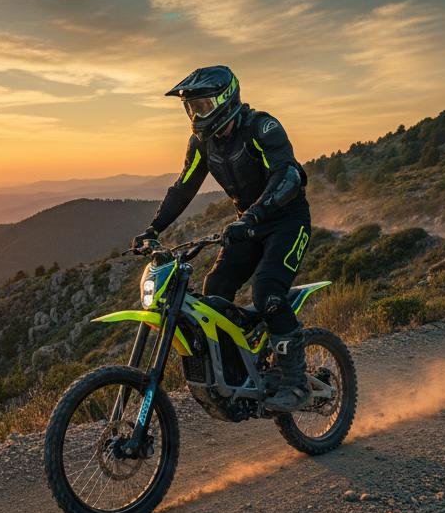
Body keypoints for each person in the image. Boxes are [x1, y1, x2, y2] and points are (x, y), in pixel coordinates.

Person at [132, 65, 312, 410]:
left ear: (226, 99)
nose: (196, 113)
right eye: (191, 107)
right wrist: (153, 229)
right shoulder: (202, 142)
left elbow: (288, 175)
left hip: (286, 221)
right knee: (214, 293)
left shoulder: (261, 126)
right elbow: (183, 187)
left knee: (268, 295)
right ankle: (237, 374)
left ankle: (296, 381)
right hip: (248, 225)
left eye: (202, 105)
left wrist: (256, 215)